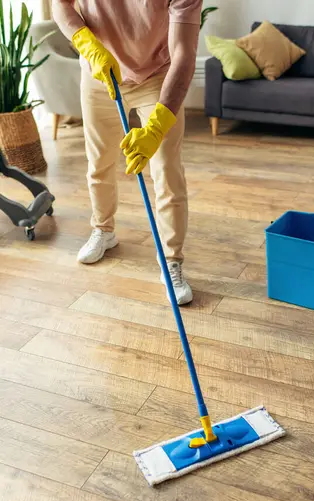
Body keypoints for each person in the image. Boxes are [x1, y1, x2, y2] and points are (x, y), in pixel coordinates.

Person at [52, 0, 202, 305]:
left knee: (167, 169)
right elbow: (60, 4)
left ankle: (171, 259)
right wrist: (86, 43)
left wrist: (158, 125)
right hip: (100, 72)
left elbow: (184, 55)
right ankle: (103, 230)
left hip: (157, 77)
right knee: (99, 161)